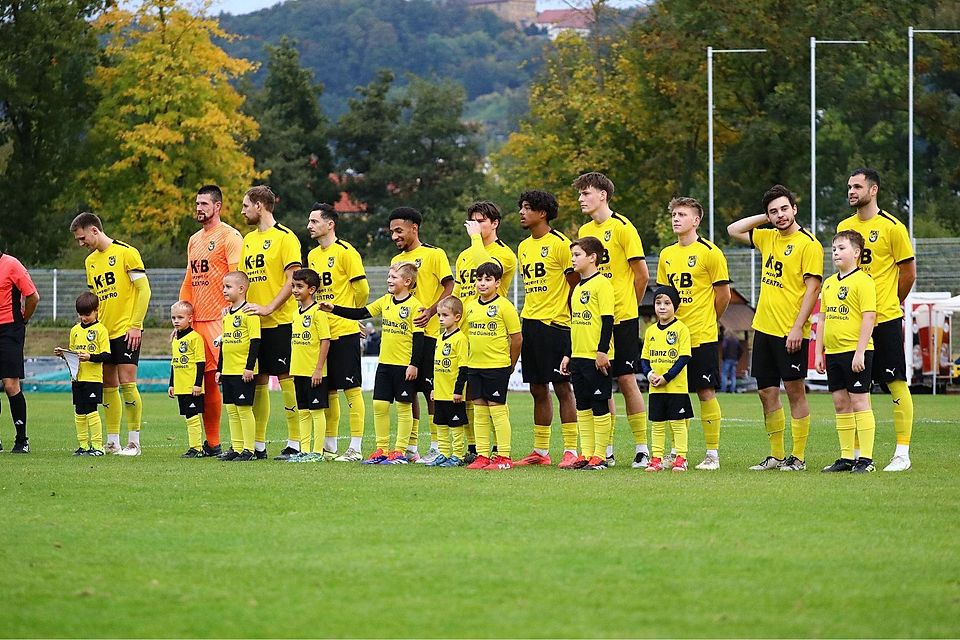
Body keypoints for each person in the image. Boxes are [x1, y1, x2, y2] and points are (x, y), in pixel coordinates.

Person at [727, 185, 823, 472]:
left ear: (794, 208)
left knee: (795, 392)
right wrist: (765, 217)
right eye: (773, 211)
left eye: (784, 208)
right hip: (764, 330)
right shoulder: (767, 236)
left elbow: (813, 289)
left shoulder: (809, 244)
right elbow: (734, 229)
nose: (780, 215)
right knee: (766, 393)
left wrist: (797, 328)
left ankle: (799, 457)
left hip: (790, 332)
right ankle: (777, 456)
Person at [837, 168, 916, 472]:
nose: (851, 191)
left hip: (884, 319)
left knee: (895, 382)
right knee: (856, 390)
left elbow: (908, 272)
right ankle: (858, 454)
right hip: (852, 322)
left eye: (857, 186)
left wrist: (891, 302)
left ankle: (902, 453)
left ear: (873, 190)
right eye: (849, 186)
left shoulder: (892, 227)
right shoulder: (844, 226)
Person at [574, 172, 650, 469]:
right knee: (599, 381)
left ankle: (642, 448)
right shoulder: (584, 229)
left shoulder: (623, 227)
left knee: (627, 379)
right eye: (580, 194)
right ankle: (603, 449)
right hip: (594, 321)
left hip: (623, 318)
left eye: (586, 193)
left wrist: (627, 305)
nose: (581, 199)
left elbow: (641, 274)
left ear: (603, 195)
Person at [323, 262, 424, 465]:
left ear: (407, 281)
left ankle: (400, 450)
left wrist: (414, 364)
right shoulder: (385, 301)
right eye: (388, 276)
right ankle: (382, 449)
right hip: (385, 364)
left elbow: (419, 340)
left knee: (404, 407)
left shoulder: (415, 307)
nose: (388, 279)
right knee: (379, 404)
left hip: (404, 365)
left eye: (393, 276)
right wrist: (334, 309)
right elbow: (360, 313)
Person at [656, 196, 730, 470]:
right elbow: (664, 297)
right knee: (676, 394)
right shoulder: (666, 255)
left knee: (705, 392)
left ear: (696, 220)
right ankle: (678, 452)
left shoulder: (711, 252)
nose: (676, 218)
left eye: (682, 214)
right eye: (674, 214)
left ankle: (712, 454)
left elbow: (723, 295)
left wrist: (709, 319)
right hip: (674, 338)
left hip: (701, 336)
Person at [70, 212, 152, 456]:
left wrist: (136, 324)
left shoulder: (127, 252)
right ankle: (113, 442)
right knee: (108, 387)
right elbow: (94, 300)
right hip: (103, 334)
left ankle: (134, 443)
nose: (81, 243)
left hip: (127, 330)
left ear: (94, 230)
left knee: (128, 384)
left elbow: (144, 291)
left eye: (82, 237)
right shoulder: (90, 262)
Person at [514, 190, 579, 468]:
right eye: (521, 207)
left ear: (542, 213)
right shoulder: (523, 246)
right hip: (530, 323)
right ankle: (540, 451)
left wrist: (571, 321)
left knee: (562, 387)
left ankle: (571, 450)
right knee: (537, 388)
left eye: (527, 208)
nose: (521, 212)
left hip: (557, 325)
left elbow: (576, 284)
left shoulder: (561, 244)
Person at [178, 184, 244, 457]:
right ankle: (211, 443)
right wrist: (184, 318)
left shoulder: (230, 236)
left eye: (204, 204)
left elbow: (237, 279)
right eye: (197, 204)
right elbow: (189, 281)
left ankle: (239, 443)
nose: (199, 208)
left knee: (222, 379)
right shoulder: (194, 239)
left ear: (217, 206)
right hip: (197, 320)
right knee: (200, 381)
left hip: (220, 319)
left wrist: (232, 313)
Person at [238, 186, 302, 461]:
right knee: (259, 380)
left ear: (260, 206)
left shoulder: (286, 238)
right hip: (254, 325)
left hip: (281, 322)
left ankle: (295, 443)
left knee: (287, 379)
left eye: (245, 205)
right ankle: (258, 445)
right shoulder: (249, 240)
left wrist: (269, 308)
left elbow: (293, 279)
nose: (242, 211)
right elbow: (243, 282)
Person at [388, 207, 454, 461]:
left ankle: (438, 446)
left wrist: (433, 310)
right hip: (404, 338)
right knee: (409, 392)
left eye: (399, 230)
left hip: (430, 335)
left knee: (431, 391)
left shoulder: (434, 254)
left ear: (414, 228)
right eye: (392, 231)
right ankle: (411, 448)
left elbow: (450, 284)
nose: (395, 236)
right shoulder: (396, 262)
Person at [306, 202, 369, 462]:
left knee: (351, 389)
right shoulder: (312, 255)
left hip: (343, 330)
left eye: (314, 221)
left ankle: (355, 446)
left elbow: (363, 290)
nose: (309, 226)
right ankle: (329, 443)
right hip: (322, 333)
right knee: (328, 390)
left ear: (330, 224)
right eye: (309, 222)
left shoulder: (346, 252)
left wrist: (351, 315)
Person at [816, 231, 878, 473]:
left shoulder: (864, 281)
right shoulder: (829, 283)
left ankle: (866, 459)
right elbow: (821, 319)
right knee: (841, 403)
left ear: (856, 252)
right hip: (833, 353)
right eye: (833, 249)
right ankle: (846, 458)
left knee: (860, 401)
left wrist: (860, 352)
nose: (836, 253)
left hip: (856, 351)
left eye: (841, 248)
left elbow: (869, 317)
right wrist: (819, 352)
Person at [559, 237, 615, 470]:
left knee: (599, 403)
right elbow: (576, 324)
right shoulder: (578, 287)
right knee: (582, 405)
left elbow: (608, 320)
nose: (573, 259)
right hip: (579, 356)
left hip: (595, 357)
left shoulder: (602, 284)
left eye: (577, 255)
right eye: (572, 255)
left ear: (592, 257)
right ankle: (587, 453)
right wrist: (568, 353)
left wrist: (602, 351)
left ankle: (601, 455)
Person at [463, 262, 522, 470]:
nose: (482, 283)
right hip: (474, 366)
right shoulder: (469, 306)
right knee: (479, 411)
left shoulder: (505, 306)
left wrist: (510, 364)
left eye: (488, 279)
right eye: (479, 279)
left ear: (497, 283)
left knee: (497, 410)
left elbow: (517, 339)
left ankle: (503, 456)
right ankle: (481, 454)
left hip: (497, 366)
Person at [640, 286, 694, 473]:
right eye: (658, 303)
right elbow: (644, 359)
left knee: (678, 424)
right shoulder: (650, 331)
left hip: (676, 388)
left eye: (667, 303)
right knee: (657, 424)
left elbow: (684, 357)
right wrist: (649, 375)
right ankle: (656, 459)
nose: (662, 307)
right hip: (656, 389)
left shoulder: (681, 329)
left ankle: (681, 458)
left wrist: (666, 377)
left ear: (675, 306)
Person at [55, 292, 109, 456]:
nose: (84, 318)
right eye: (81, 314)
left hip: (93, 378)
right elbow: (72, 354)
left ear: (96, 311)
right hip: (77, 378)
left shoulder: (101, 330)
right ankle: (83, 445)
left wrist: (90, 357)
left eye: (87, 314)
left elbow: (107, 355)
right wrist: (63, 353)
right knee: (79, 411)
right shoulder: (75, 330)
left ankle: (98, 447)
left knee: (91, 410)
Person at [287, 269, 332, 463]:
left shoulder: (318, 313)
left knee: (316, 411)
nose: (295, 290)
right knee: (303, 411)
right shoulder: (295, 313)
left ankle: (317, 451)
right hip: (298, 370)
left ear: (312, 289)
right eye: (293, 286)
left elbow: (325, 341)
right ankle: (304, 450)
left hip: (314, 371)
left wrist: (319, 369)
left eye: (299, 286)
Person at [216, 271, 261, 462]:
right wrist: (219, 368)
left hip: (243, 370)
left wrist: (249, 367)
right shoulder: (227, 315)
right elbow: (225, 342)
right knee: (231, 410)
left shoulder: (250, 313)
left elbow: (256, 341)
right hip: (228, 370)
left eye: (228, 286)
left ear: (241, 289)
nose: (224, 290)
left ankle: (249, 450)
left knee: (243, 410)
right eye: (224, 286)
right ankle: (237, 447)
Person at [0, 249, 39, 453]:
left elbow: (33, 297)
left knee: (10, 385)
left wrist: (23, 319)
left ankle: (22, 440)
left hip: (9, 329)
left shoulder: (12, 264)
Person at [428, 296, 470, 467]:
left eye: (445, 315)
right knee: (440, 424)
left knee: (456, 425)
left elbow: (463, 368)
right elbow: (436, 366)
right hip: (440, 392)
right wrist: (433, 388)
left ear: (457, 317)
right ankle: (443, 453)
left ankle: (457, 455)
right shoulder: (440, 337)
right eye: (439, 315)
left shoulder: (460, 339)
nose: (441, 319)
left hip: (453, 394)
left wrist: (458, 390)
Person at [167, 301, 206, 458]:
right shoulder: (176, 339)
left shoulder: (195, 338)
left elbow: (200, 362)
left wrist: (198, 384)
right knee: (188, 416)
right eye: (173, 318)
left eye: (180, 317)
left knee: (193, 415)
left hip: (192, 386)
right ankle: (194, 447)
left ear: (190, 318)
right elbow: (174, 362)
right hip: (181, 386)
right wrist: (171, 384)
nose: (176, 321)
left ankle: (197, 448)